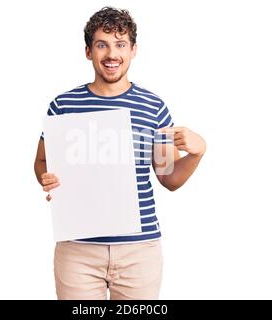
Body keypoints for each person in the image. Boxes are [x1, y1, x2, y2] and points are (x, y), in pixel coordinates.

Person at [34, 6, 206, 300]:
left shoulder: (154, 108)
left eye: (120, 44)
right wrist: (46, 178)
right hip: (78, 249)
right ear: (88, 51)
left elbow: (168, 178)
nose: (111, 54)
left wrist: (197, 153)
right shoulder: (63, 105)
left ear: (133, 50)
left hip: (138, 252)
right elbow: (41, 161)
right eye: (102, 44)